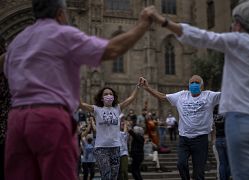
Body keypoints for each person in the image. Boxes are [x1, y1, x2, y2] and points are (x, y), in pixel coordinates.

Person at [149, 0, 249, 179]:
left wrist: (163, 20)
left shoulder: (234, 41)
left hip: (243, 120)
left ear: (238, 24)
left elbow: (199, 36)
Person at [3, 0, 155, 179]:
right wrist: (144, 24)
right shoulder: (62, 33)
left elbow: (5, 67)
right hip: (49, 118)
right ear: (60, 13)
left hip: (16, 121)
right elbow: (112, 49)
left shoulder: (18, 41)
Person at [140, 75, 221, 180]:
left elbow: (227, 94)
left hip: (201, 140)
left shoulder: (209, 96)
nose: (194, 84)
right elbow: (163, 97)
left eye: (196, 82)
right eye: (191, 83)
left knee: (199, 172)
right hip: (184, 139)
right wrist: (147, 88)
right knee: (181, 164)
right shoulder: (181, 96)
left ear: (202, 86)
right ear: (188, 85)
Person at [80, 82, 140, 180]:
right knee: (106, 176)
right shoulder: (96, 109)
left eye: (111, 94)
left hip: (115, 147)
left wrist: (138, 87)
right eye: (106, 94)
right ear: (101, 98)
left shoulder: (117, 108)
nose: (109, 96)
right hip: (101, 148)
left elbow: (131, 99)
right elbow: (81, 104)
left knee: (113, 177)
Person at [213, 105, 230, 180]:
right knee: (230, 162)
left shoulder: (215, 116)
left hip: (218, 140)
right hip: (228, 139)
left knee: (222, 163)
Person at [118, 115, 129, 180]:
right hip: (116, 154)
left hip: (123, 154)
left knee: (124, 170)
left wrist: (125, 123)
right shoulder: (115, 132)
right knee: (119, 172)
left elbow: (125, 130)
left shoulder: (123, 133)